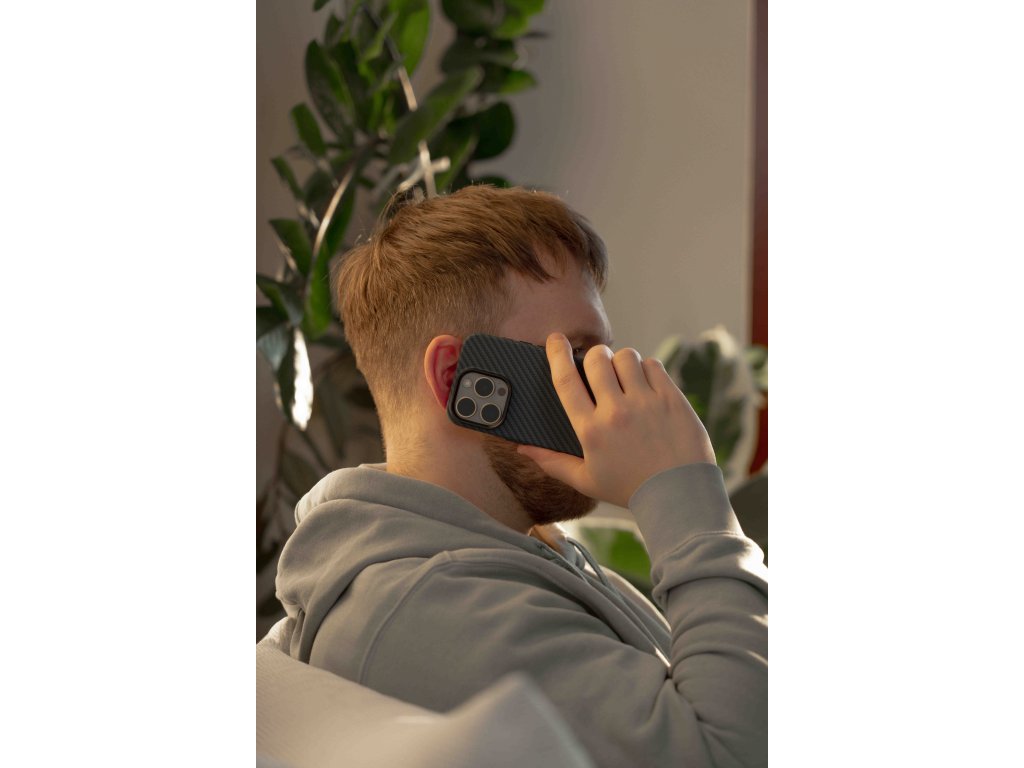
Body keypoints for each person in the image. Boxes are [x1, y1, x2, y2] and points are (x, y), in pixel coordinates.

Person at [274, 185, 768, 767]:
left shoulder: (514, 554)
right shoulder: (431, 610)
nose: (606, 384)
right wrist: (684, 493)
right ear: (458, 379)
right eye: (579, 354)